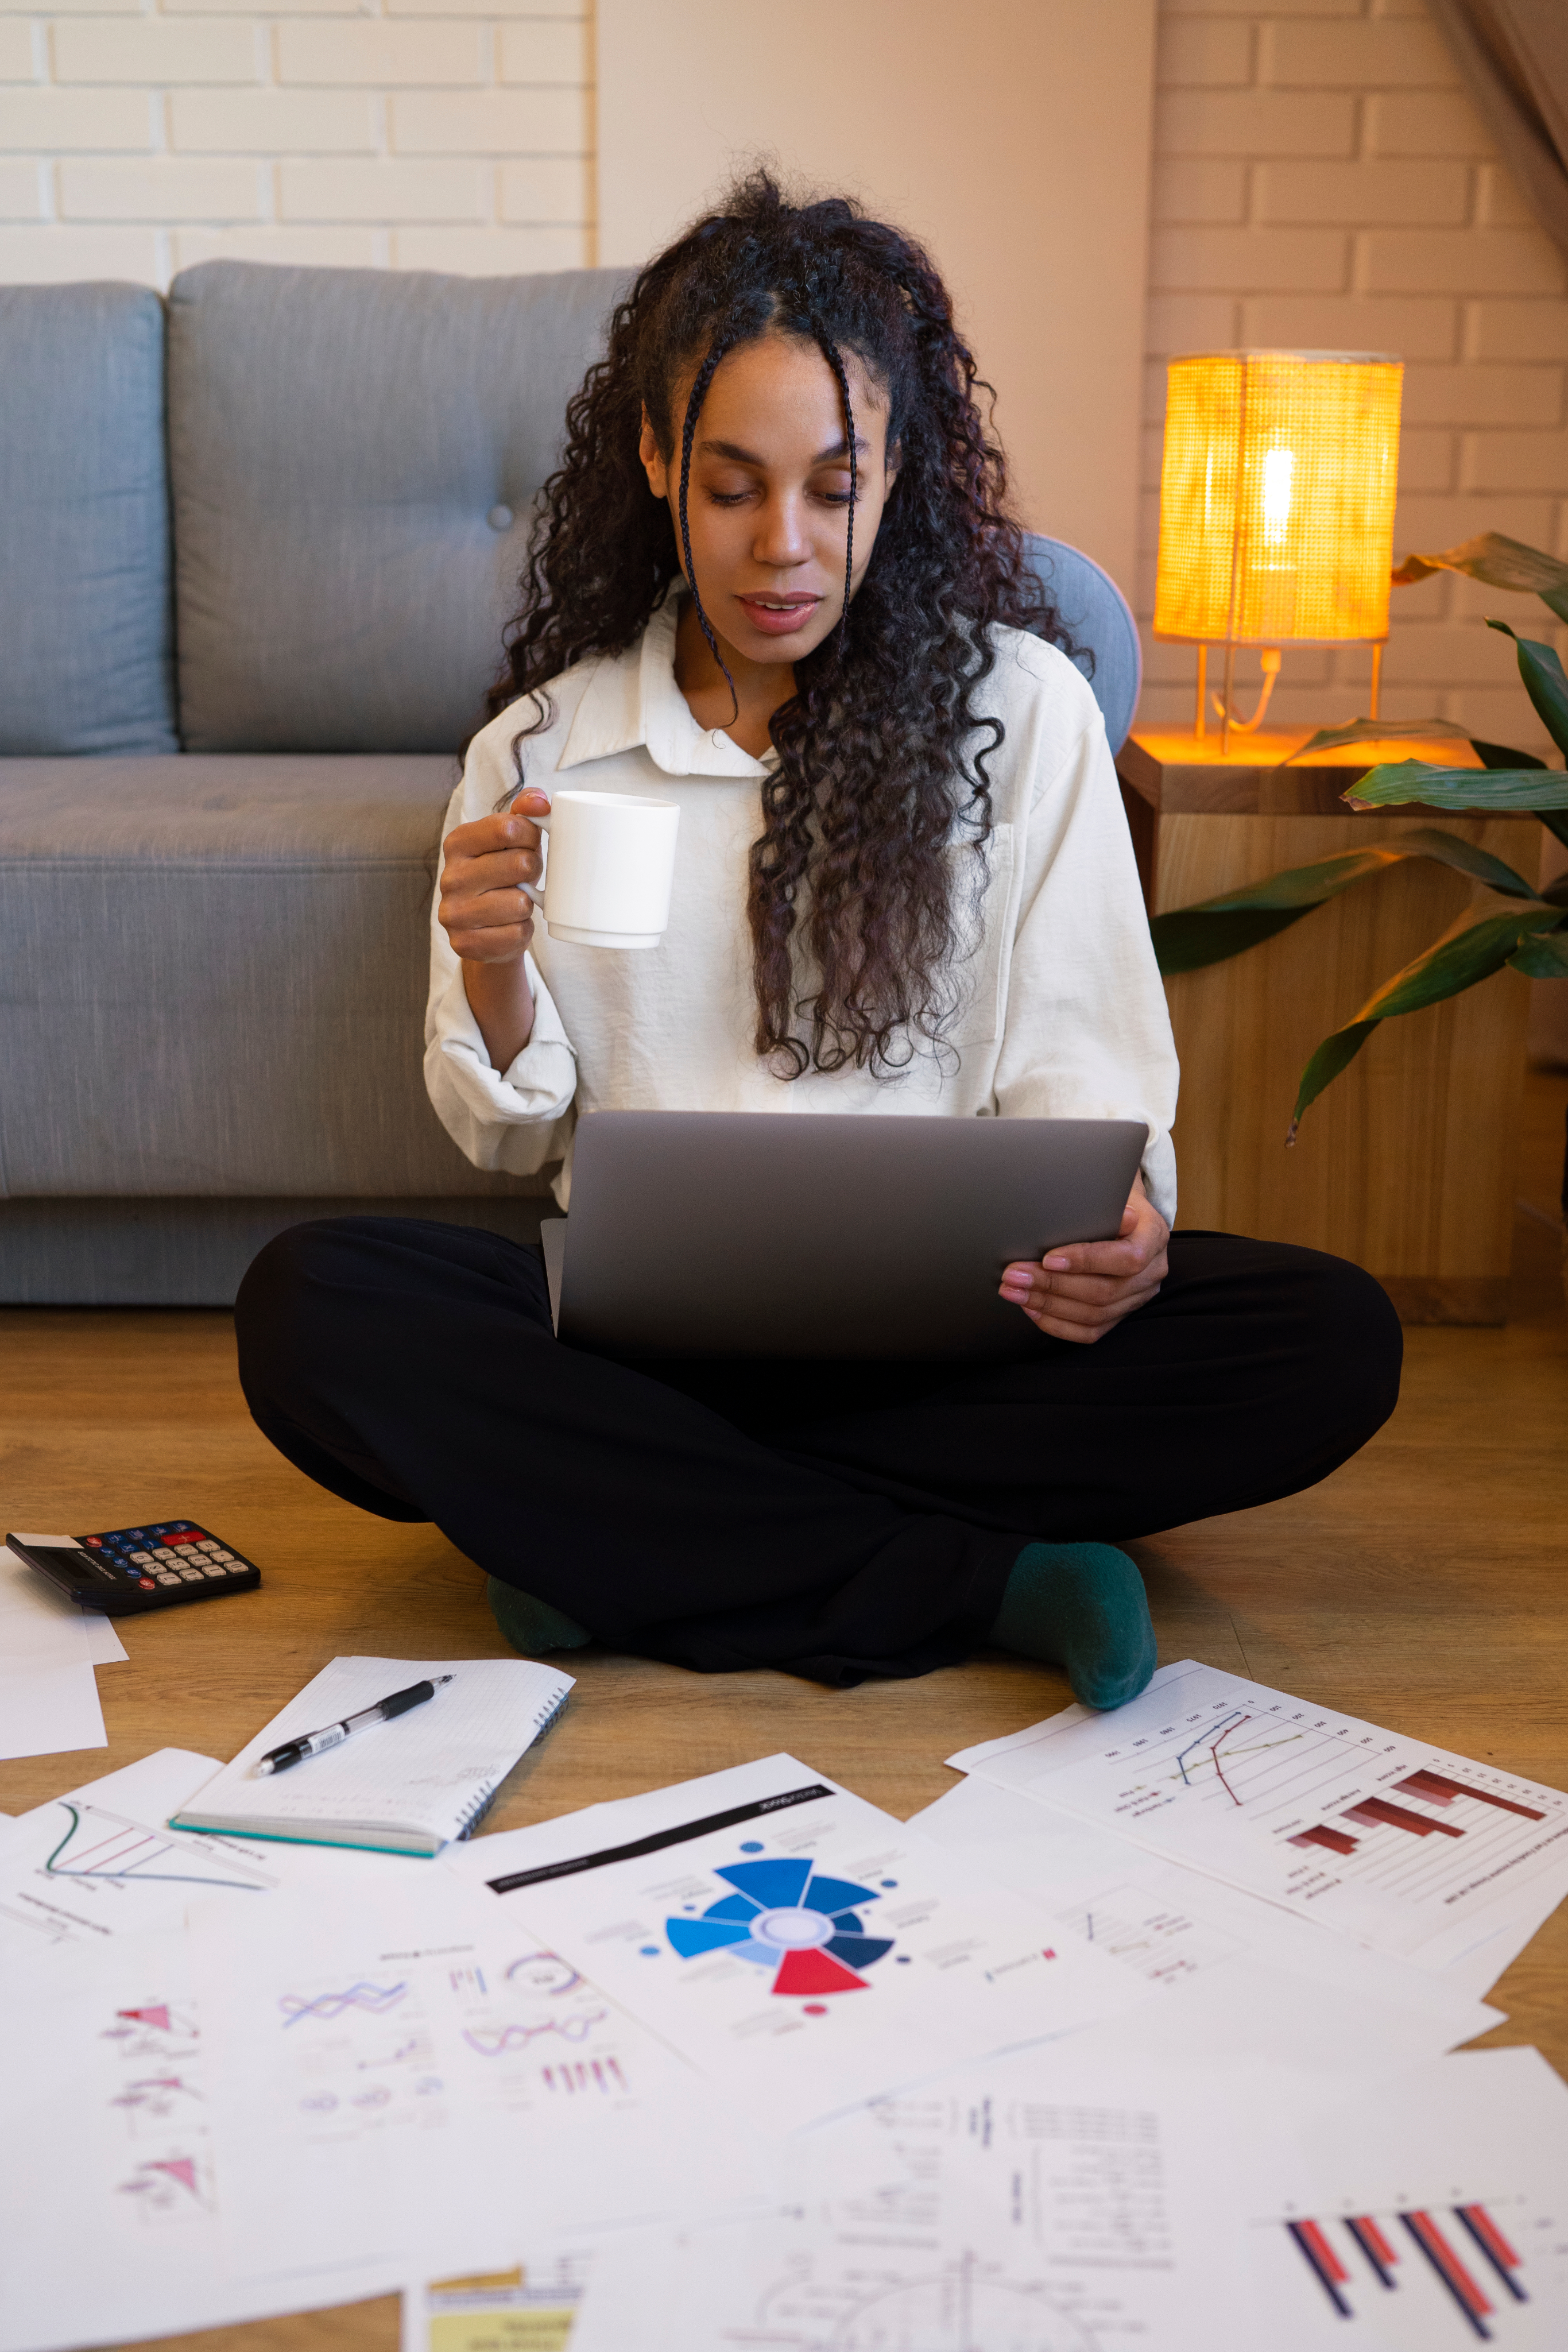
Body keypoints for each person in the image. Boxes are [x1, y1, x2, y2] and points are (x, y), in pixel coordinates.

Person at [235, 175, 1401, 1710]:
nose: (781, 547)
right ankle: (986, 1579)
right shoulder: (546, 743)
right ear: (655, 459)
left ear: (897, 472)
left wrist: (1119, 1237)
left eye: (830, 488)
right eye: (730, 486)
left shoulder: (1023, 709)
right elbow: (506, 1144)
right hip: (649, 1348)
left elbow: (1082, 1063)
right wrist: (493, 968)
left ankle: (618, 1530)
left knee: (1327, 1338)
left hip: (956, 1345)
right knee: (312, 1306)